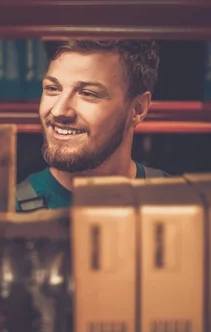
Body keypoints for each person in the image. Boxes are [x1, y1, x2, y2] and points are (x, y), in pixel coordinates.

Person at [15, 40, 169, 212]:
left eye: (88, 93)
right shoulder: (6, 214)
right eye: (52, 88)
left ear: (137, 109)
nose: (59, 111)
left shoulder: (178, 203)